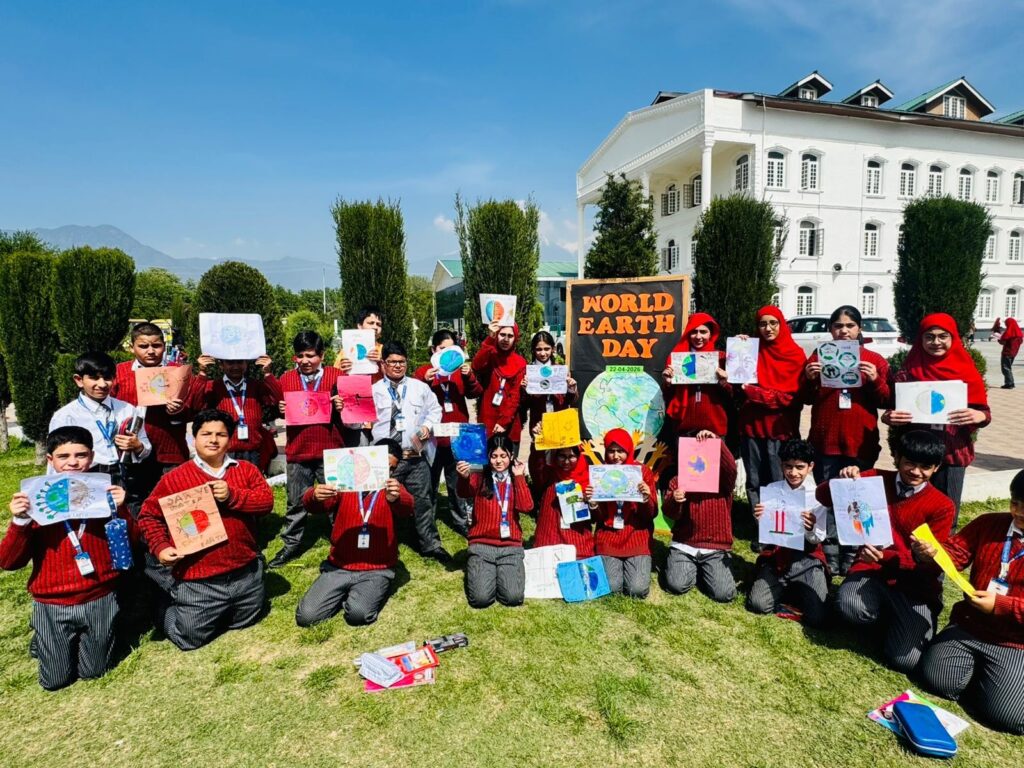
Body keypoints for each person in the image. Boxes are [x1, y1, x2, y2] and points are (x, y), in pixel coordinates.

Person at [0, 427, 132, 690]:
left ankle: (72, 639)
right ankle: (44, 637)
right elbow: (9, 562)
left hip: (99, 594)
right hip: (53, 600)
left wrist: (122, 510)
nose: (73, 462)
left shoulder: (102, 493)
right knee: (55, 680)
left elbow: (132, 544)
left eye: (80, 455)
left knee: (95, 671)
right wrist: (20, 521)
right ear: (51, 459)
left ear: (91, 457)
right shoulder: (36, 499)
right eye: (64, 456)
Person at [138, 409, 274, 651]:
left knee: (246, 620)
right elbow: (148, 516)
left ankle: (225, 606)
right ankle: (164, 604)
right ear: (194, 438)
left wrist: (233, 496)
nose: (213, 440)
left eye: (221, 435)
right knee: (189, 638)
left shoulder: (245, 469)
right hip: (200, 577)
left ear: (230, 440)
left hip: (244, 570)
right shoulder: (174, 478)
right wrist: (161, 546)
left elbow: (266, 502)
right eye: (206, 434)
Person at [826, 430, 954, 674]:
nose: (916, 471)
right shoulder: (874, 479)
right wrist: (843, 480)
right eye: (909, 463)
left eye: (925, 467)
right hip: (871, 571)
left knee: (904, 661)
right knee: (849, 605)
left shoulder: (942, 506)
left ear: (936, 468)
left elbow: (930, 566)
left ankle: (898, 623)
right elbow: (824, 496)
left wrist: (886, 557)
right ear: (896, 457)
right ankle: (885, 617)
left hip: (915, 585)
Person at [913, 469, 1024, 735]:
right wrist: (932, 553)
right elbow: (956, 553)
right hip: (969, 626)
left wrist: (1000, 605)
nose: (1018, 512)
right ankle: (990, 678)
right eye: (1015, 503)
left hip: (1015, 641)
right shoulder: (989, 523)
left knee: (1008, 717)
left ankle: (1001, 680)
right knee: (936, 680)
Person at [799, 306, 890, 574]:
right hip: (825, 441)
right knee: (827, 497)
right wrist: (809, 378)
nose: (844, 331)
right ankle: (829, 551)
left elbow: (886, 400)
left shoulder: (874, 359)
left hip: (859, 442)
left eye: (850, 325)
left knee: (856, 501)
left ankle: (852, 551)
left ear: (859, 328)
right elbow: (805, 398)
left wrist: (875, 380)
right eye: (838, 326)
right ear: (830, 329)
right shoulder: (819, 356)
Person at [295, 439, 414, 627]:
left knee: (358, 615)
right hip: (340, 565)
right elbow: (316, 506)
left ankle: (364, 591)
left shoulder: (391, 489)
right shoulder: (346, 483)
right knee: (306, 617)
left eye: (391, 469)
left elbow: (407, 508)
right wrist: (314, 496)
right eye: (382, 466)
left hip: (377, 568)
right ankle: (347, 591)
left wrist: (396, 498)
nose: (386, 472)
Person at [883, 313, 990, 522]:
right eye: (929, 337)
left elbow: (984, 412)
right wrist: (890, 417)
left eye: (943, 336)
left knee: (946, 515)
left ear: (953, 338)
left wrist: (979, 415)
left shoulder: (966, 371)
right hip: (916, 453)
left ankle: (943, 543)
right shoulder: (909, 370)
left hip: (952, 453)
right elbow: (892, 407)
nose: (936, 342)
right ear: (921, 339)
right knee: (909, 512)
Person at [270, 331, 343, 568]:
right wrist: (281, 409)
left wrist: (341, 405)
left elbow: (354, 409)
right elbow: (278, 409)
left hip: (330, 450)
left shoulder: (337, 376)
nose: (305, 361)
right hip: (298, 450)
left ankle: (343, 542)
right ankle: (291, 545)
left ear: (322, 355)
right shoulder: (286, 379)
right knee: (295, 502)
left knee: (336, 500)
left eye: (310, 355)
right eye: (300, 356)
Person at [371, 340, 448, 562]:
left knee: (423, 500)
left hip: (414, 455)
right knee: (383, 500)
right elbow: (358, 420)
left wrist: (427, 426)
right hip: (385, 459)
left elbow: (435, 410)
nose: (397, 366)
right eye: (392, 362)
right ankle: (383, 542)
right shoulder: (374, 391)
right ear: (383, 364)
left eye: (402, 362)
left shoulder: (419, 387)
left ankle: (430, 544)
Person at [746, 439, 828, 626]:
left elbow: (819, 537)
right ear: (781, 465)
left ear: (810, 467)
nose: (793, 473)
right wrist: (760, 518)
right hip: (778, 556)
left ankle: (795, 593)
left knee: (818, 616)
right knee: (758, 604)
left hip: (806, 558)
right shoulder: (773, 490)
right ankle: (788, 595)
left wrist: (810, 527)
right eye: (788, 466)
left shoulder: (817, 495)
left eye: (800, 467)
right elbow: (769, 533)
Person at [111, 322, 196, 503]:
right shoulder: (119, 372)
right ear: (132, 347)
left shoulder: (178, 372)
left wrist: (179, 410)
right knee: (134, 502)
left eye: (156, 345)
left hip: (170, 452)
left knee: (172, 504)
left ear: (164, 346)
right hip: (131, 452)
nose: (151, 351)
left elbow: (195, 410)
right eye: (143, 346)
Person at [736, 306, 806, 510]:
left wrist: (754, 393)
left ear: (782, 324)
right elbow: (736, 382)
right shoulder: (750, 351)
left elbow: (791, 399)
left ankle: (783, 521)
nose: (768, 328)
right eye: (763, 324)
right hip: (752, 426)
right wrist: (738, 349)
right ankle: (760, 523)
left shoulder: (795, 355)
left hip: (781, 428)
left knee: (781, 478)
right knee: (755, 479)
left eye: (773, 323)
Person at [414, 329, 482, 536]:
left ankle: (460, 520)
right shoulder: (425, 371)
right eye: (442, 348)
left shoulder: (460, 370)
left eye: (451, 348)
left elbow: (475, 393)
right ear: (433, 349)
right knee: (430, 482)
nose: (446, 353)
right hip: (433, 437)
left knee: (457, 479)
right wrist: (424, 379)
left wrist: (469, 376)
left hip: (457, 434)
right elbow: (414, 396)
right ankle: (428, 522)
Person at [49, 351, 151, 488]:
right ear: (79, 380)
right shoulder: (66, 416)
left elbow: (146, 448)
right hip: (88, 478)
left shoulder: (127, 409)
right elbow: (56, 458)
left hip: (127, 477)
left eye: (107, 378)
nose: (102, 384)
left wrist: (138, 446)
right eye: (94, 378)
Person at [662, 431, 738, 602]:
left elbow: (731, 468)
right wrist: (674, 500)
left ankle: (708, 570)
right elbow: (669, 513)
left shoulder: (723, 480)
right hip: (685, 545)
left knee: (724, 594)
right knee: (676, 585)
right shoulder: (677, 481)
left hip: (715, 547)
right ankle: (692, 569)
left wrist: (717, 442)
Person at [456, 435, 532, 608]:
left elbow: (526, 506)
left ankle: (502, 574)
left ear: (511, 456)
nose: (498, 461)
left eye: (503, 456)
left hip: (510, 547)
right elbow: (464, 492)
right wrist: (463, 477)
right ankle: (485, 572)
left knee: (513, 597)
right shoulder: (479, 476)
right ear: (487, 457)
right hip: (482, 546)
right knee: (480, 599)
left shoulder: (516, 478)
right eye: (494, 456)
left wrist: (519, 477)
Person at [584, 428, 657, 598]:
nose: (616, 456)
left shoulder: (643, 472)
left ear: (629, 450)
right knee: (611, 587)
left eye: (621, 451)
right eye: (611, 451)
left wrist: (646, 498)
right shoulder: (600, 474)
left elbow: (651, 514)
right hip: (608, 538)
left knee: (636, 589)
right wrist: (593, 503)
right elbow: (598, 519)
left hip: (636, 536)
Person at [191, 354, 281, 473]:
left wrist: (268, 374)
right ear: (221, 365)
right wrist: (202, 373)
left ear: (246, 363)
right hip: (225, 449)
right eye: (230, 363)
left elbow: (277, 400)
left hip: (253, 449)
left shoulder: (255, 385)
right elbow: (196, 404)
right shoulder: (213, 386)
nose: (235, 367)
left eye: (239, 362)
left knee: (251, 482)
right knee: (226, 483)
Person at [519, 330, 578, 488]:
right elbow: (524, 404)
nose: (543, 353)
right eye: (539, 349)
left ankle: (557, 493)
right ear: (533, 350)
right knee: (539, 460)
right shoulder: (528, 372)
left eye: (546, 349)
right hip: (539, 423)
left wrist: (571, 388)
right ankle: (540, 492)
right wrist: (524, 389)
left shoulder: (560, 370)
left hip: (559, 422)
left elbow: (570, 401)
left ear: (552, 349)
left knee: (560, 458)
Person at [661, 312, 731, 440]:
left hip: (714, 428)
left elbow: (734, 395)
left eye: (703, 332)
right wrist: (668, 383)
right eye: (694, 331)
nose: (698, 336)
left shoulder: (721, 358)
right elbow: (668, 397)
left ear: (711, 334)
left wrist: (725, 383)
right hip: (684, 429)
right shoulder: (678, 359)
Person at [530, 443, 595, 558]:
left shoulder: (589, 479)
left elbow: (597, 518)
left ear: (579, 456)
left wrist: (593, 503)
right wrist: (538, 443)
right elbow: (537, 467)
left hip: (579, 545)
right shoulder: (548, 475)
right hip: (548, 543)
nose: (566, 461)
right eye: (562, 456)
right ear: (555, 456)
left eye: (571, 456)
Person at [472, 321, 527, 453]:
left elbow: (515, 396)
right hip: (487, 418)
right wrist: (490, 338)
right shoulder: (490, 355)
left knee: (509, 462)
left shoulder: (520, 362)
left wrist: (504, 422)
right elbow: (476, 366)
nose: (506, 339)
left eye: (510, 336)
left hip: (510, 423)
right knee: (487, 462)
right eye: (502, 334)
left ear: (515, 338)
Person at [337, 305, 385, 447]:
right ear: (359, 326)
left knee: (381, 455)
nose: (375, 327)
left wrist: (382, 362)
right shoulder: (346, 352)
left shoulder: (385, 350)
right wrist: (343, 370)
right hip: (357, 414)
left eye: (378, 324)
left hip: (380, 412)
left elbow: (396, 379)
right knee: (359, 455)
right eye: (370, 323)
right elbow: (335, 380)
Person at [998, 317, 1022, 389]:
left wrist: (999, 340)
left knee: (1005, 368)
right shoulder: (1019, 333)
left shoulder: (1009, 332)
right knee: (1008, 367)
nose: (1006, 326)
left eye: (1006, 324)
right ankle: (1010, 383)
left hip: (1007, 353)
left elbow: (1003, 341)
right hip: (1013, 353)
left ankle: (1009, 383)